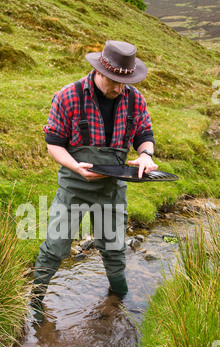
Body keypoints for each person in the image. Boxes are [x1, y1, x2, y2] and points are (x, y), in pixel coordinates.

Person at [30, 40, 158, 323]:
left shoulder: (134, 99)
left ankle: (120, 297)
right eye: (115, 81)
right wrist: (76, 167)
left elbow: (144, 134)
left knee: (114, 246)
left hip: (113, 187)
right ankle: (35, 302)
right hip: (74, 184)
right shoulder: (67, 96)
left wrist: (146, 155)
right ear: (99, 71)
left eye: (126, 82)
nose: (120, 88)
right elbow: (54, 143)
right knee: (56, 244)